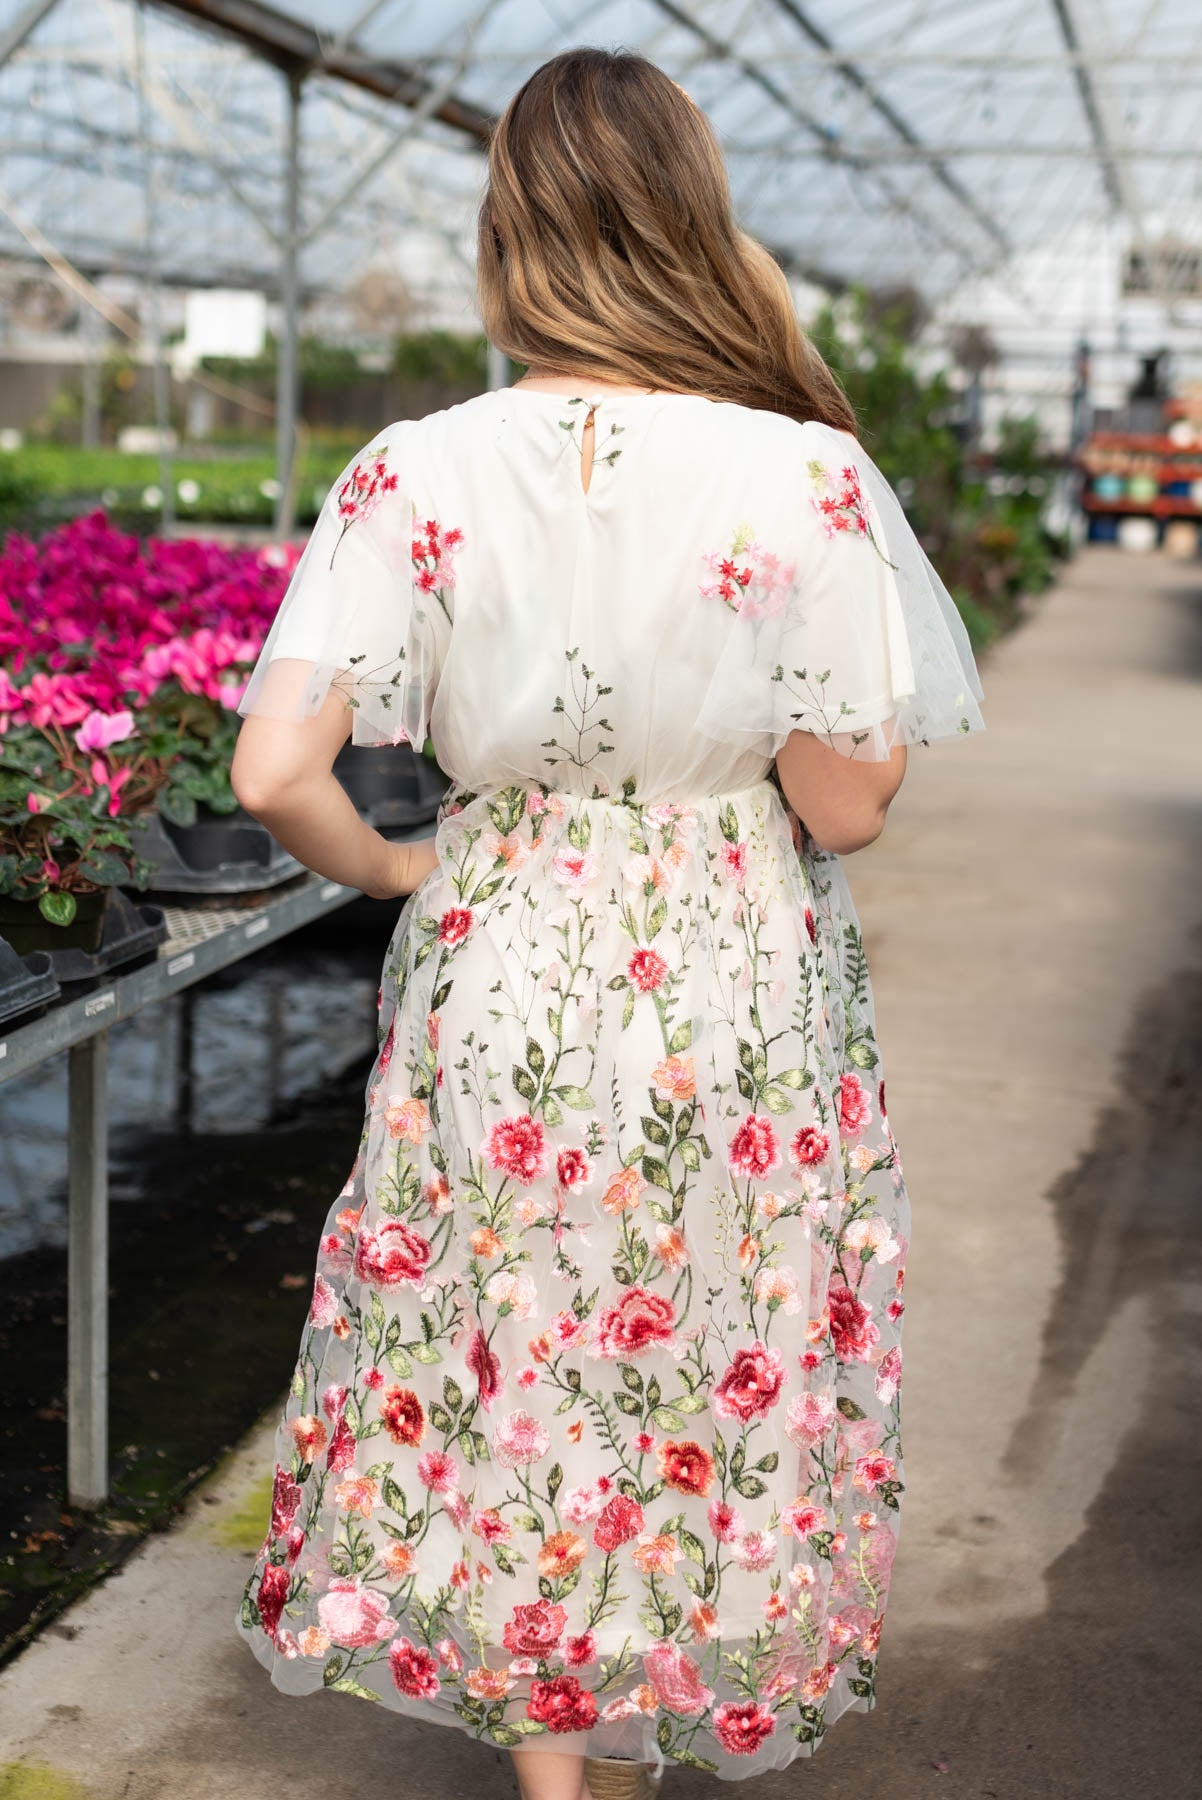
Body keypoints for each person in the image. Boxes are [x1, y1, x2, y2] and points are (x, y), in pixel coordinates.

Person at [228, 45, 984, 1800]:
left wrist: (409, 870)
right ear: (693, 227)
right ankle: (656, 1716)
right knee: (705, 1335)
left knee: (512, 1350)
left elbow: (275, 775)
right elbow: (845, 804)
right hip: (725, 970)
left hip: (501, 951)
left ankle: (552, 1773)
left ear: (513, 236)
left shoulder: (412, 469)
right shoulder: (795, 476)